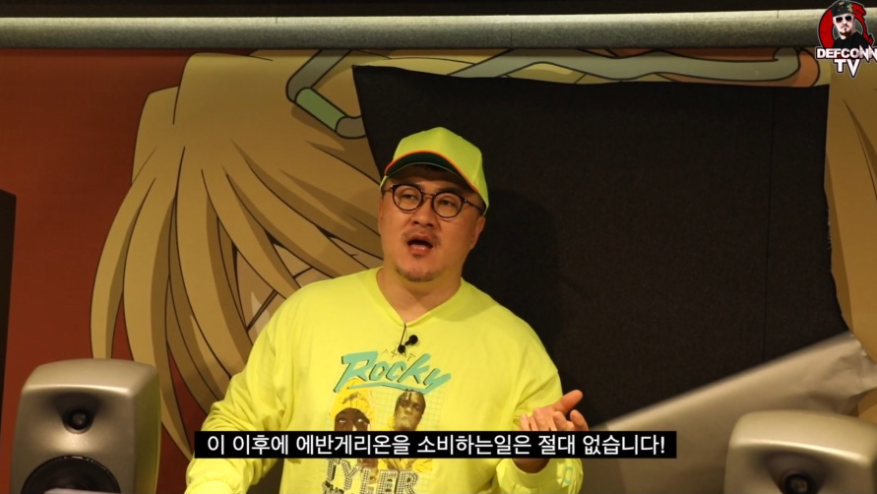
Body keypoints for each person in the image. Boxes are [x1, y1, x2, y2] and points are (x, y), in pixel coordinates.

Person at [184, 126, 587, 494]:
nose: (424, 216)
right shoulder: (307, 314)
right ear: (382, 211)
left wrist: (533, 464)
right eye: (408, 195)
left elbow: (563, 482)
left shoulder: (515, 349)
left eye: (448, 202)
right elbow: (238, 426)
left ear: (476, 230)